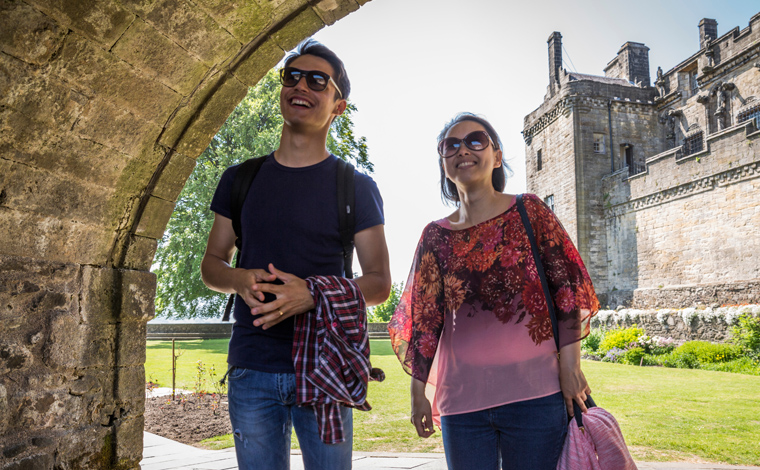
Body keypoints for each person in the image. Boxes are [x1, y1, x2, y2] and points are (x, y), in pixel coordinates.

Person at [201, 39, 391, 470]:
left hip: (327, 368)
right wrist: (239, 279)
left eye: (317, 80)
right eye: (293, 76)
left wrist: (313, 295)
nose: (301, 85)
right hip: (252, 368)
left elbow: (379, 282)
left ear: (338, 106)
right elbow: (211, 264)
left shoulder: (355, 186)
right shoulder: (240, 179)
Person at [388, 113, 599, 470]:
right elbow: (424, 320)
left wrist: (571, 367)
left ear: (497, 157)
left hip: (536, 395)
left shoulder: (530, 211)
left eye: (475, 140)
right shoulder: (434, 237)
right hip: (462, 406)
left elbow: (568, 289)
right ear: (443, 163)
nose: (462, 149)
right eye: (450, 145)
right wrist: (417, 393)